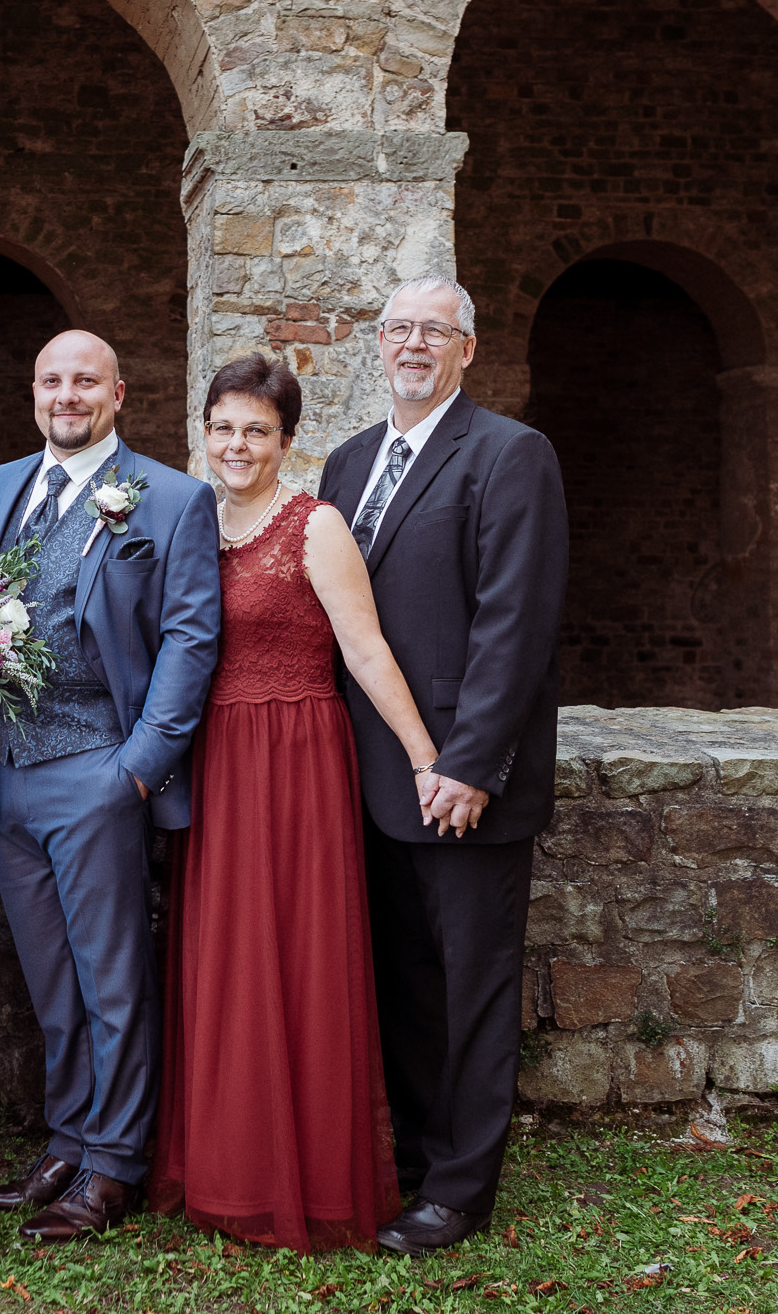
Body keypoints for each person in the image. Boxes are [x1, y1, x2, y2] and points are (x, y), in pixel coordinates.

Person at [151, 354, 440, 1251]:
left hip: (296, 756)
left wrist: (426, 756)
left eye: (258, 431)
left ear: (287, 441)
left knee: (298, 952)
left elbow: (364, 648)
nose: (238, 445)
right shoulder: (189, 520)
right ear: (204, 431)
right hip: (217, 759)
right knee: (225, 953)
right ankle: (228, 1161)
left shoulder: (314, 526)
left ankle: (304, 1172)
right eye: (225, 427)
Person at [313, 274, 568, 1256]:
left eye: (433, 330)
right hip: (369, 779)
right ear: (376, 348)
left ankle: (460, 1189)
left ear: (466, 347)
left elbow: (516, 622)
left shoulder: (509, 455)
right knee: (406, 983)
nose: (411, 345)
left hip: (463, 784)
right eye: (396, 330)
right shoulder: (346, 463)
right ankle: (415, 1162)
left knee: (469, 986)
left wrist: (469, 764)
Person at [0, 331, 221, 1243]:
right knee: (50, 975)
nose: (66, 395)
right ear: (33, 391)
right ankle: (69, 1135)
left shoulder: (173, 498)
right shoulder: (3, 484)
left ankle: (116, 1160)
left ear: (118, 391)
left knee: (114, 977)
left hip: (100, 769)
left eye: (84, 380)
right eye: (50, 381)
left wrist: (136, 769)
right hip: (7, 771)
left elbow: (192, 641)